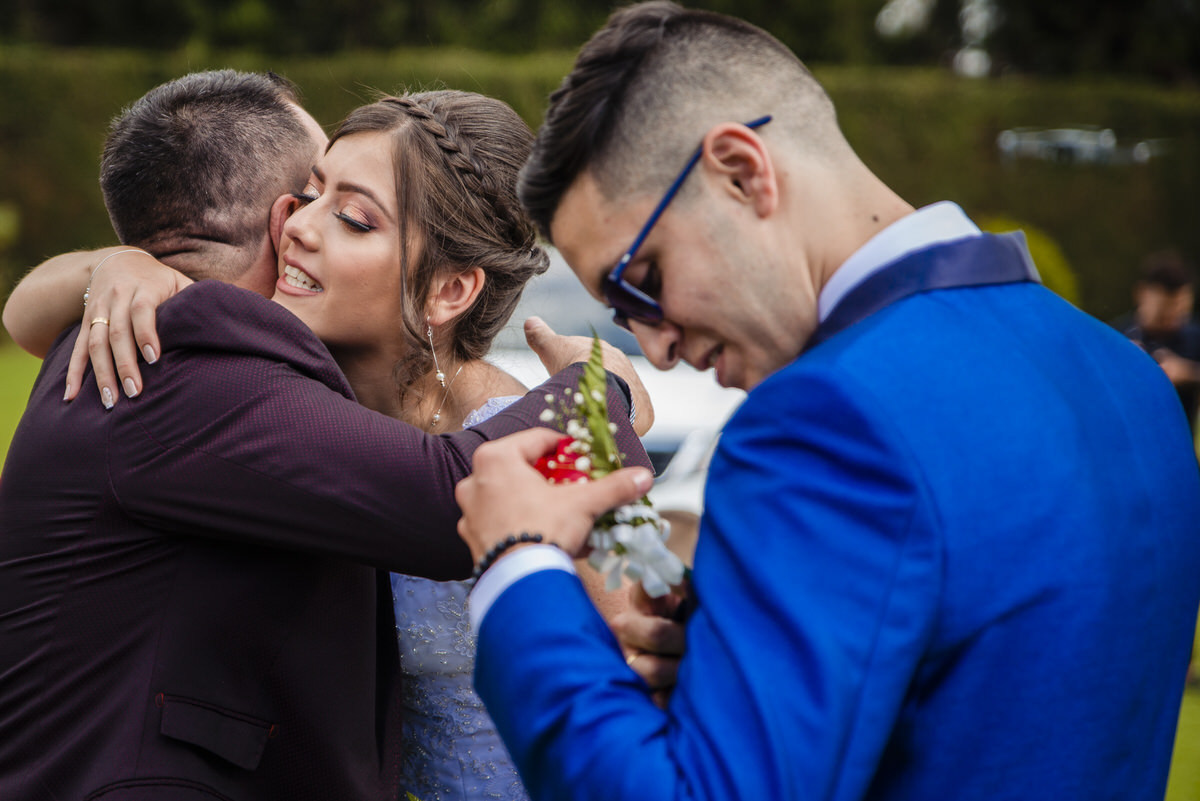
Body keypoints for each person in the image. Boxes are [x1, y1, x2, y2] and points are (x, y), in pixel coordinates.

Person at [452, 4, 1200, 801]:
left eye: (641, 283)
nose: (656, 346)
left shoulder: (826, 418)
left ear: (743, 171)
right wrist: (732, 643)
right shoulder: (1123, 371)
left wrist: (520, 561)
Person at [0, 71, 649, 800]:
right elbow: (446, 496)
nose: (304, 224)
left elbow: (636, 637)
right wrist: (607, 395)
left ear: (449, 289)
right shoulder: (202, 358)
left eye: (352, 215)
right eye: (309, 196)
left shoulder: (353, 401)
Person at [1110, 249, 1200, 435]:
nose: (1173, 319)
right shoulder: (1114, 336)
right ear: (1142, 293)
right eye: (1164, 312)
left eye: (1181, 311)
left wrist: (1187, 372)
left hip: (1179, 451)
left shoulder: (1195, 338)